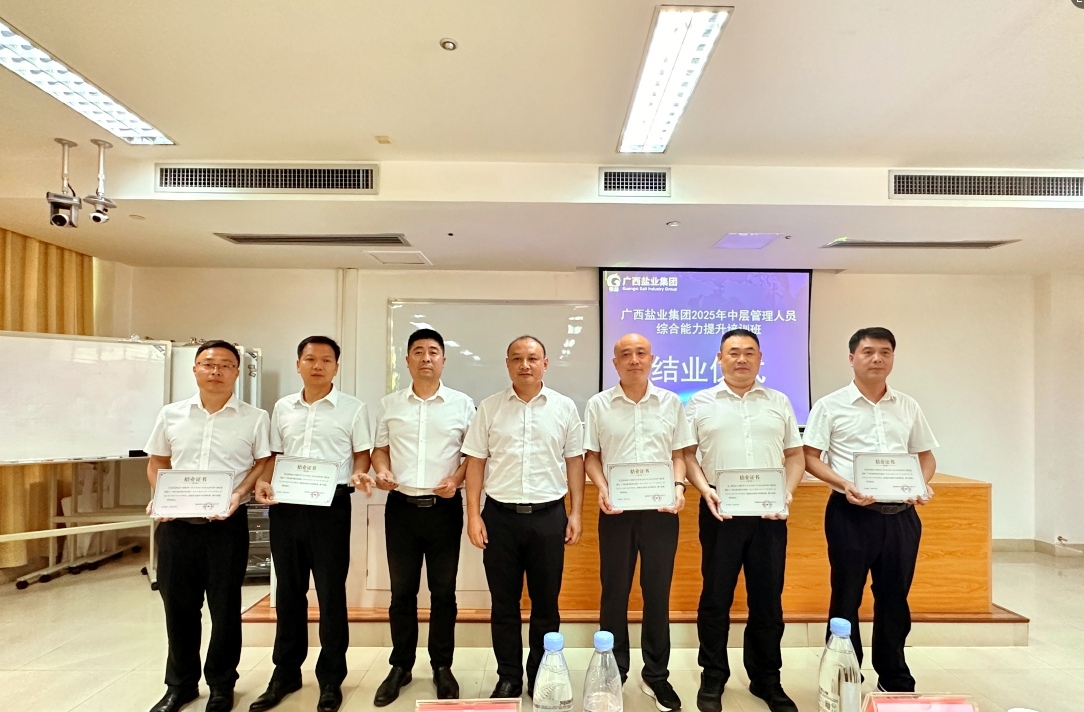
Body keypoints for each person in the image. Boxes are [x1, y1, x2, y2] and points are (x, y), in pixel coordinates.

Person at [803, 326, 938, 693]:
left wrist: (921, 483)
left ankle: (894, 675)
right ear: (852, 358)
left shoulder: (907, 405)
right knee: (845, 595)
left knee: (895, 596)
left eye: (885, 352)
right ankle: (844, 673)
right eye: (868, 352)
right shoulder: (830, 405)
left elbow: (926, 456)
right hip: (850, 513)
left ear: (892, 357)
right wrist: (843, 483)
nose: (877, 359)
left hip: (902, 516)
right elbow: (810, 457)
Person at [145, 340, 272, 712]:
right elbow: (157, 463)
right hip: (176, 526)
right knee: (178, 609)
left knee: (225, 608)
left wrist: (240, 493)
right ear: (195, 369)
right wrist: (160, 495)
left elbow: (263, 462)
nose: (216, 371)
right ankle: (180, 685)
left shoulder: (254, 417)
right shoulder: (171, 414)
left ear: (237, 372)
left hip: (225, 526)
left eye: (225, 365)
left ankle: (221, 684)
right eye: (208, 364)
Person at [249, 336, 374, 712]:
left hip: (330, 508)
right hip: (287, 506)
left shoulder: (353, 408)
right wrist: (262, 481)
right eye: (310, 359)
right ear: (298, 364)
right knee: (288, 592)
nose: (317, 365)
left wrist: (360, 474)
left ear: (336, 366)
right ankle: (285, 673)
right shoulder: (282, 407)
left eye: (326, 360)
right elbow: (274, 455)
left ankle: (331, 678)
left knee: (331, 593)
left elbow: (362, 455)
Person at [683, 329, 804, 712]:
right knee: (715, 598)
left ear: (760, 358)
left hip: (770, 514)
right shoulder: (700, 402)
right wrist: (705, 489)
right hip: (721, 510)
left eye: (749, 352)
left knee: (768, 600)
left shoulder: (779, 401)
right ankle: (713, 676)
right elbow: (687, 455)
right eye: (733, 352)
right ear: (719, 358)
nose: (741, 359)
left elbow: (795, 456)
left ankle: (767, 679)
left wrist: (786, 493)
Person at [462, 335, 586, 699]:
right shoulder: (489, 408)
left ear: (545, 363)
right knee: (504, 604)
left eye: (532, 358)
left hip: (548, 518)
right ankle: (509, 676)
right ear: (507, 364)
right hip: (500, 518)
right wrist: (473, 515)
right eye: (517, 358)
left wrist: (576, 513)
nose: (525, 365)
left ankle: (541, 674)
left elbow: (574, 462)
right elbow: (475, 463)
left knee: (546, 605)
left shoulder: (564, 408)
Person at [584, 333, 695, 712]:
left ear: (652, 359)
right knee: (614, 593)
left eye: (641, 353)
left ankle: (656, 675)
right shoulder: (598, 404)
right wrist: (602, 488)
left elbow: (679, 454)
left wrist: (678, 486)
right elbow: (591, 456)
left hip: (661, 512)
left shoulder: (670, 403)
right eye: (625, 354)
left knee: (657, 593)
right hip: (615, 511)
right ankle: (613, 672)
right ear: (614, 362)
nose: (634, 359)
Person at [370, 329, 476, 706]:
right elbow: (379, 450)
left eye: (433, 351)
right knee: (402, 592)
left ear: (444, 360)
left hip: (444, 509)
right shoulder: (390, 404)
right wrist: (382, 471)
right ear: (407, 360)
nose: (426, 358)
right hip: (401, 509)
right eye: (418, 351)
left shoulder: (462, 404)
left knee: (443, 592)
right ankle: (400, 665)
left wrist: (457, 480)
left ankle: (442, 665)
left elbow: (473, 456)